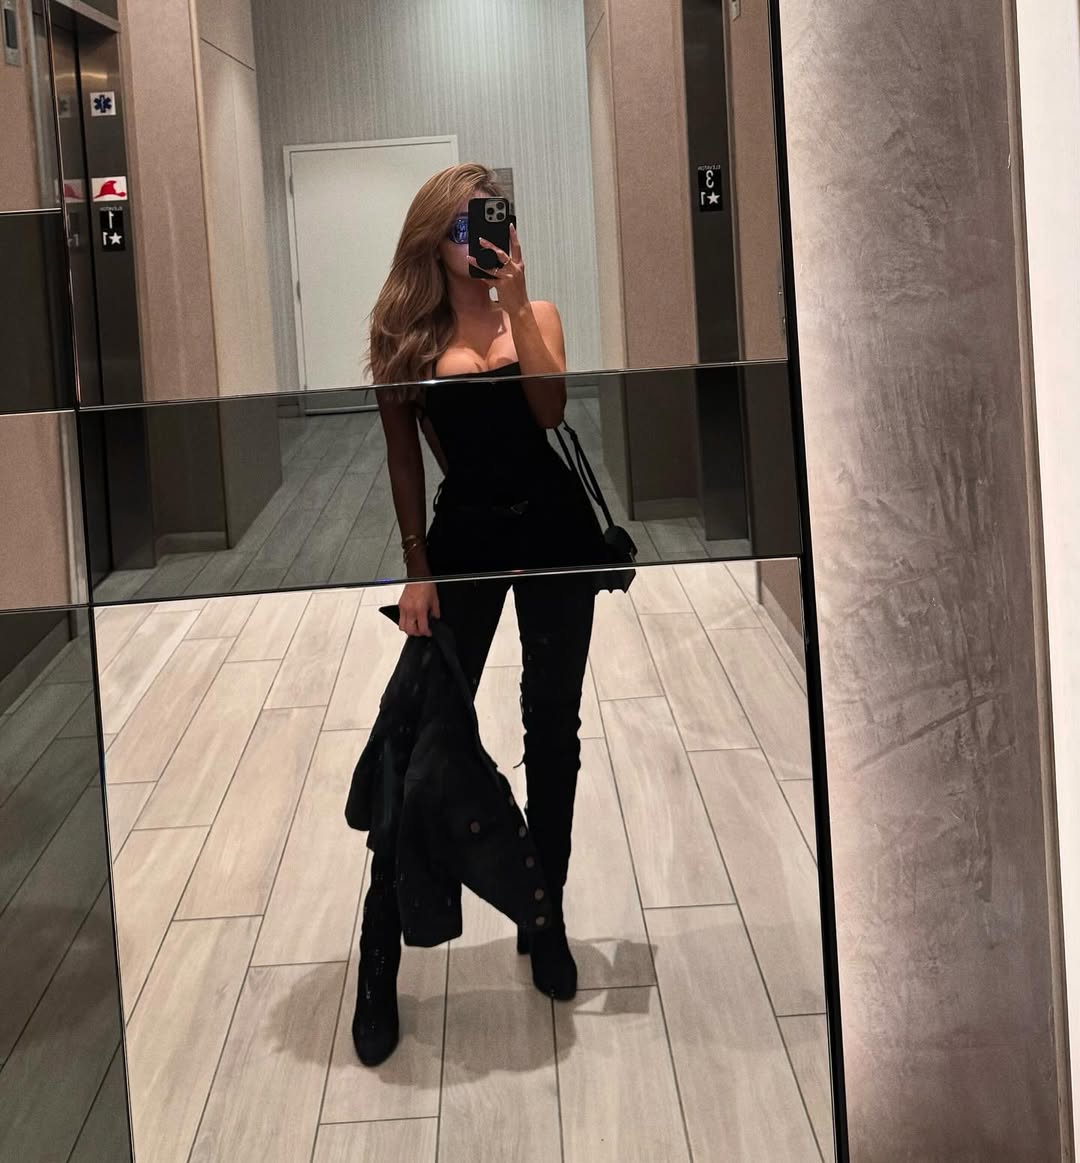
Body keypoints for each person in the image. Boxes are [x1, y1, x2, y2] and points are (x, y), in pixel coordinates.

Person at [352, 163, 602, 1066]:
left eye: (488, 220)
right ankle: (379, 957)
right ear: (433, 237)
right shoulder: (405, 337)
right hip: (462, 538)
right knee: (419, 729)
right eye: (461, 225)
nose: (477, 238)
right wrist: (416, 568)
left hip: (555, 531)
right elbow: (403, 459)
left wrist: (519, 300)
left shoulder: (537, 316)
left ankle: (546, 915)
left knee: (553, 724)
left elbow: (548, 407)